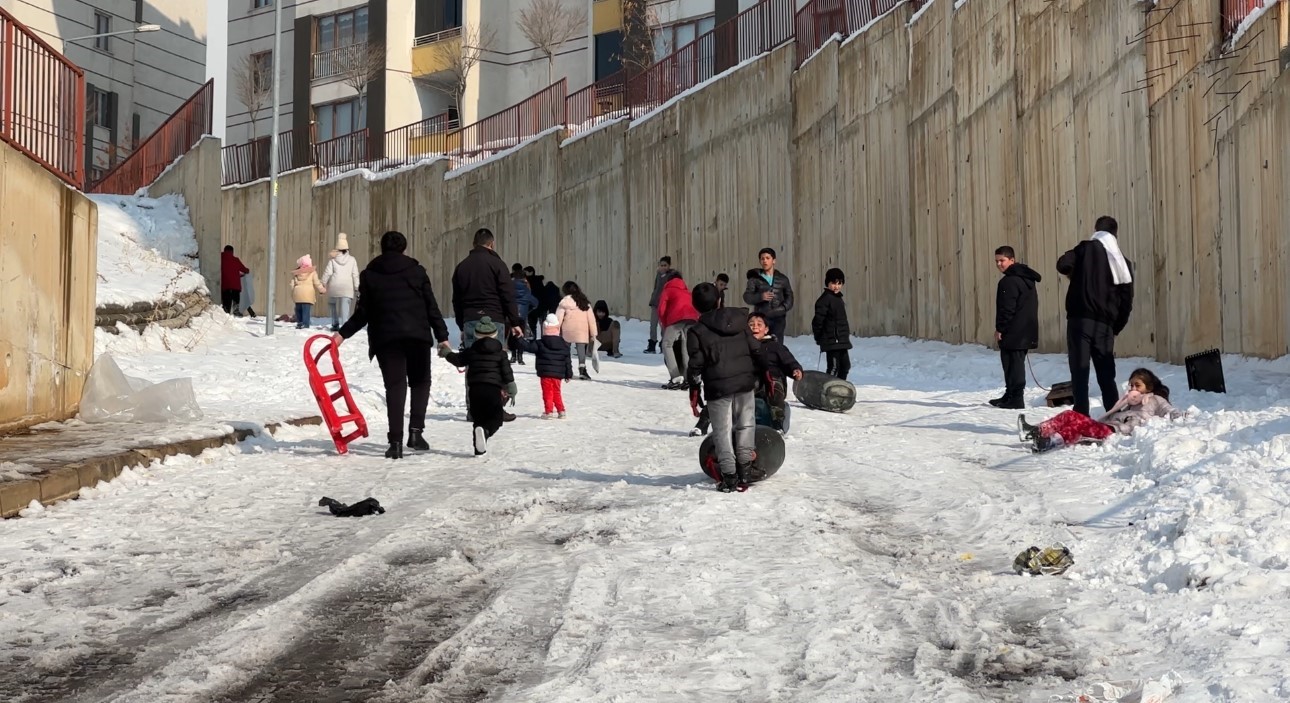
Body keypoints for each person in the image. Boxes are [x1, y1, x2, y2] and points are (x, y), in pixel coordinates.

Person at [333, 230, 452, 460]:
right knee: (420, 382)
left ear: (382, 248)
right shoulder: (417, 271)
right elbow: (431, 306)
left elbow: (363, 313)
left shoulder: (370, 274)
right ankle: (416, 433)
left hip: (386, 339)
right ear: (404, 249)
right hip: (417, 336)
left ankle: (395, 443)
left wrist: (341, 335)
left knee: (395, 388)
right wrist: (442, 336)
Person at [686, 282, 761, 493]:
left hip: (718, 386)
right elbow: (756, 348)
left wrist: (693, 388)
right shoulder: (739, 320)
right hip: (745, 383)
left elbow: (695, 364)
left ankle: (729, 475)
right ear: (719, 300)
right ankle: (746, 467)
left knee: (722, 430)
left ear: (695, 306)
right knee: (746, 424)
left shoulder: (697, 331)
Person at [1057, 215, 1134, 417]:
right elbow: (1127, 301)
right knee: (1107, 374)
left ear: (1096, 230)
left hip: (1079, 321)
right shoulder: (1123, 263)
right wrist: (1116, 327)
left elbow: (1062, 264)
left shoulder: (1085, 249)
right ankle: (1114, 415)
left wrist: (1077, 269)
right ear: (1115, 234)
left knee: (1080, 372)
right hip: (1105, 325)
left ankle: (1081, 416)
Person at [451, 227, 522, 422]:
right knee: (494, 363)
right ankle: (495, 409)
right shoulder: (497, 264)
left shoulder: (462, 267)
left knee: (473, 364)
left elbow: (456, 299)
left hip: (471, 319)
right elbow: (508, 294)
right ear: (491, 244)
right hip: (494, 319)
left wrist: (461, 323)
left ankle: (473, 409)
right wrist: (514, 321)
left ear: (474, 244)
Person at [1018, 368, 1181, 452]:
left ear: (1149, 387)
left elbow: (1170, 410)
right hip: (1108, 425)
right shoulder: (1127, 402)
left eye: (1137, 385)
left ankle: (1050, 442)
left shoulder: (1154, 400)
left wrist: (1185, 416)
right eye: (1131, 385)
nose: (1132, 388)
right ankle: (1036, 431)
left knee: (1079, 426)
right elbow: (1114, 413)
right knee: (1070, 415)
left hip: (1116, 431)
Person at [440, 316, 516, 456]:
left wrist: (447, 353)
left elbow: (458, 360)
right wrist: (511, 387)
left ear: (476, 335)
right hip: (493, 389)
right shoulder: (501, 353)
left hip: (474, 389)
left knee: (479, 419)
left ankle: (479, 447)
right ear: (495, 335)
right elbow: (507, 372)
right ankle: (486, 432)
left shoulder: (471, 351)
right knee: (496, 419)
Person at [991, 246, 1042, 409]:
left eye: (1002, 260)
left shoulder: (1009, 281)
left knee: (1013, 364)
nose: (999, 264)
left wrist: (1000, 329)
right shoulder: (1026, 279)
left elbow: (1007, 308)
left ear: (1012, 260)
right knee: (1013, 363)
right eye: (996, 261)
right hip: (1025, 329)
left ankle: (1016, 398)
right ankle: (1010, 394)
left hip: (1014, 330)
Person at [749, 312, 802, 432]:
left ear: (766, 329)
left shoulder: (775, 346)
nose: (755, 327)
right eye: (751, 324)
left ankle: (778, 423)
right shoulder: (743, 346)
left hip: (773, 379)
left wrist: (795, 370)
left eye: (759, 324)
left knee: (774, 391)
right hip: (752, 380)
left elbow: (788, 361)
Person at [517, 314, 574, 419]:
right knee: (557, 391)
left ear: (544, 329)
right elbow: (567, 360)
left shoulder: (540, 343)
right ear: (557, 329)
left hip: (545, 373)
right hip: (558, 374)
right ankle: (561, 411)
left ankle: (549, 411)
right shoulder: (564, 344)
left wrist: (519, 338)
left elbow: (528, 347)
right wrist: (568, 374)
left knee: (547, 392)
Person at [657, 269, 700, 389]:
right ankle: (688, 378)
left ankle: (675, 377)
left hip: (676, 319)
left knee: (666, 344)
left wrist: (665, 326)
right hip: (692, 319)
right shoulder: (687, 292)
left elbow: (661, 309)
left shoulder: (668, 290)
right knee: (686, 347)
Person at [743, 247, 794, 340]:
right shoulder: (754, 279)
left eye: (767, 258)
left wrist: (782, 309)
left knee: (777, 345)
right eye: (762, 259)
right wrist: (760, 297)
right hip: (761, 318)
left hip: (778, 318)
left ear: (773, 261)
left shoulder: (783, 279)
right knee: (761, 343)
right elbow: (747, 297)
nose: (765, 261)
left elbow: (790, 297)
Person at [811, 267, 853, 381]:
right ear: (828, 283)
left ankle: (840, 388)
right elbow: (818, 321)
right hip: (831, 340)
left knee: (845, 366)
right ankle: (828, 389)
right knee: (833, 368)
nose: (837, 286)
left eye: (839, 283)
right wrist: (819, 337)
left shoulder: (838, 299)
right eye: (834, 283)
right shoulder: (824, 300)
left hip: (841, 340)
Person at [556, 281, 599, 380]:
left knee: (566, 350)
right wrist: (594, 334)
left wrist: (556, 330)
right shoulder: (584, 302)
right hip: (581, 330)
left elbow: (559, 318)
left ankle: (567, 370)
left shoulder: (564, 302)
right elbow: (591, 320)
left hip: (567, 329)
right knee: (581, 350)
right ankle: (582, 369)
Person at [322, 233, 360, 332]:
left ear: (337, 249)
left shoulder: (333, 260)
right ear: (347, 249)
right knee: (345, 307)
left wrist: (323, 283)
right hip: (347, 287)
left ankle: (335, 324)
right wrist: (357, 287)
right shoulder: (352, 260)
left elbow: (328, 272)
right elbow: (355, 274)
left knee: (332, 303)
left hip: (334, 286)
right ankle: (344, 326)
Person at [510, 269, 540, 365]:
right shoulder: (526, 289)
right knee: (520, 335)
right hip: (522, 316)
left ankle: (513, 355)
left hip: (511, 314)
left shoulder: (509, 287)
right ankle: (520, 356)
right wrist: (528, 309)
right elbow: (535, 303)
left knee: (512, 335)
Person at [290, 254, 326, 329]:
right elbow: (317, 283)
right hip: (308, 294)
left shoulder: (297, 273)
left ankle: (299, 323)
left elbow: (292, 284)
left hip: (298, 294)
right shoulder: (312, 272)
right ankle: (305, 324)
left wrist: (293, 292)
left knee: (298, 309)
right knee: (306, 311)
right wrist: (322, 290)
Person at [646, 256, 672, 354]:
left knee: (664, 326)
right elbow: (656, 287)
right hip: (655, 303)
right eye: (661, 265)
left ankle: (663, 345)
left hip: (664, 304)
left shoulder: (670, 276)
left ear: (669, 266)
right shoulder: (658, 275)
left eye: (665, 265)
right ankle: (652, 344)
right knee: (653, 325)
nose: (663, 267)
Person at [220, 245, 250, 315]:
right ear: (232, 252)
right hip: (235, 286)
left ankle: (225, 313)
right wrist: (247, 271)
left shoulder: (220, 258)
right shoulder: (236, 260)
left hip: (225, 285)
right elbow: (244, 269)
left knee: (226, 303)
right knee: (236, 300)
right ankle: (236, 312)